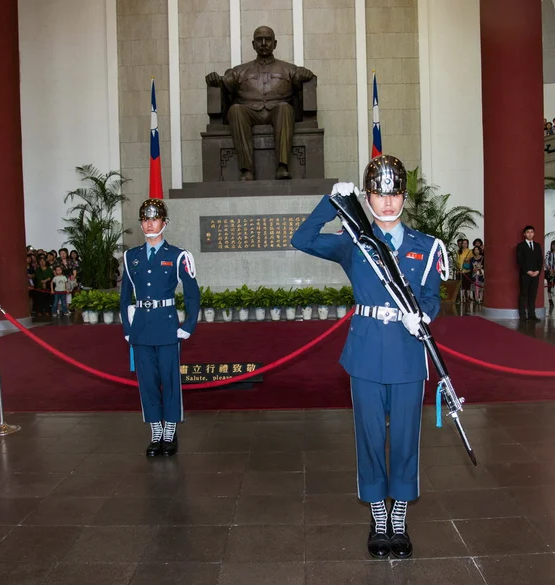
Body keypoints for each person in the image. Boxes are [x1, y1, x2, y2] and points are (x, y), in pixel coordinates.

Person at [292, 155, 441, 560]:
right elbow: (301, 239)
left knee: (407, 437)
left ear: (404, 197)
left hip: (409, 353)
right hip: (366, 352)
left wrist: (423, 315)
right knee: (371, 436)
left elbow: (431, 296)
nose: (388, 202)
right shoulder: (352, 242)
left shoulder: (426, 247)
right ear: (367, 196)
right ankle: (378, 513)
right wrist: (331, 202)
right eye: (378, 193)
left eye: (394, 194)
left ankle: (400, 517)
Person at [120, 199, 201, 457]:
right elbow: (124, 297)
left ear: (164, 222)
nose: (149, 223)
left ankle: (170, 430)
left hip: (167, 328)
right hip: (141, 328)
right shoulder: (130, 257)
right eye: (145, 219)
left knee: (169, 379)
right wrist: (127, 327)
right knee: (148, 383)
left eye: (154, 219)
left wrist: (188, 325)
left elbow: (192, 294)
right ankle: (156, 429)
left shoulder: (177, 256)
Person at [205, 26, 314, 181]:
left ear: (275, 44)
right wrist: (215, 79)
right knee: (236, 110)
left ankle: (282, 167)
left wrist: (306, 74)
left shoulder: (289, 69)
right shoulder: (240, 70)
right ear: (253, 44)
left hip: (278, 112)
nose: (263, 43)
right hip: (250, 112)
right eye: (259, 40)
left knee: (284, 108)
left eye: (268, 39)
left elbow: (303, 80)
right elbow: (223, 83)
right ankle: (246, 169)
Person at [516, 225, 543, 322]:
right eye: (528, 232)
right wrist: (528, 271)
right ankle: (522, 315)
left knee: (533, 295)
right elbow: (520, 260)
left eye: (532, 232)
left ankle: (532, 315)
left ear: (534, 233)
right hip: (525, 275)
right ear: (524, 234)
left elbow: (540, 260)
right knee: (523, 294)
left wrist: (538, 271)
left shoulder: (537, 245)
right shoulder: (520, 246)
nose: (530, 234)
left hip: (536, 274)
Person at [545, 240, 555, 309]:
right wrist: (549, 268)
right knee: (549, 287)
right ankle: (550, 300)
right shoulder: (549, 253)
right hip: (550, 273)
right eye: (553, 244)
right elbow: (546, 261)